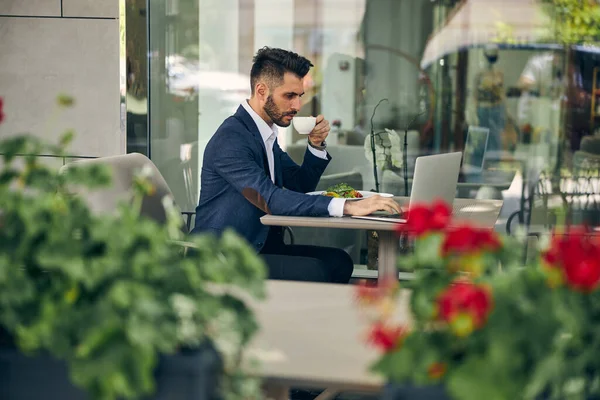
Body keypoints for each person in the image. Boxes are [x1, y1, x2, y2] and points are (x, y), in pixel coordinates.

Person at [191, 47, 401, 283]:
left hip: (259, 247)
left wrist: (316, 145)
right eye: (289, 96)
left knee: (339, 262)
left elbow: (298, 186)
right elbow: (270, 199)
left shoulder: (264, 135)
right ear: (262, 91)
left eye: (300, 95)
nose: (298, 105)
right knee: (316, 271)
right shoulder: (232, 139)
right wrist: (348, 206)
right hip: (222, 257)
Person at [473, 45, 506, 152]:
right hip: (483, 108)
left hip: (496, 108)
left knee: (495, 134)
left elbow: (502, 94)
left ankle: (494, 158)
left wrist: (504, 111)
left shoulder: (499, 74)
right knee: (482, 135)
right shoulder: (479, 74)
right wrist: (474, 112)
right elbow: (475, 94)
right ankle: (482, 157)